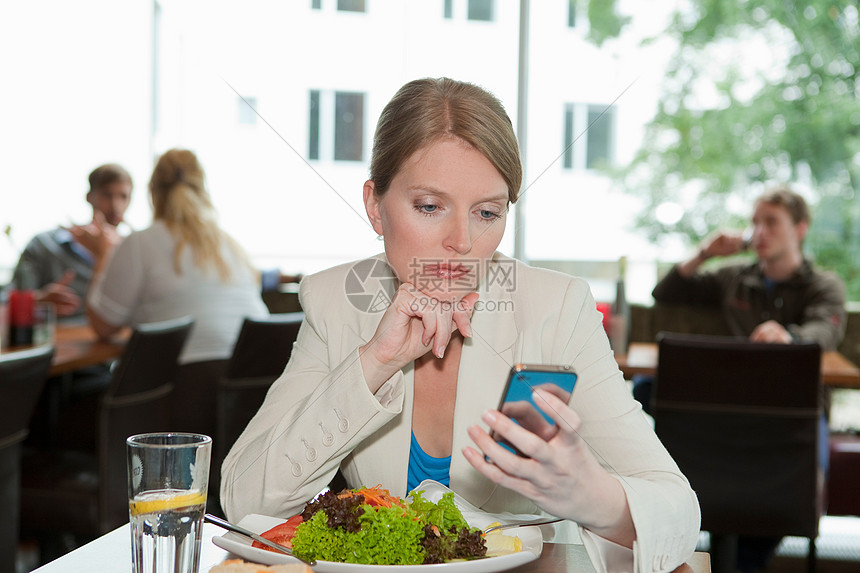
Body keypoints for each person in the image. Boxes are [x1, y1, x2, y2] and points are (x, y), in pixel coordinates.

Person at [221, 78, 700, 572]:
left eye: (487, 212)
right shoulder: (334, 302)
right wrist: (374, 362)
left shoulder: (557, 308)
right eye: (430, 207)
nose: (462, 241)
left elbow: (679, 510)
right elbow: (245, 504)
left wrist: (593, 497)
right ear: (374, 206)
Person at [643, 185, 846, 573]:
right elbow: (665, 293)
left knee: (789, 484)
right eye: (755, 222)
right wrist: (705, 253)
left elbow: (826, 329)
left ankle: (741, 562)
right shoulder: (735, 277)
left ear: (801, 228)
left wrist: (790, 336)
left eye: (772, 222)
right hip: (732, 409)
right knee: (648, 393)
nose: (760, 231)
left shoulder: (823, 284)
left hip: (792, 411)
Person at [86, 148, 269, 445]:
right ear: (202, 189)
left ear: (152, 193)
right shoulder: (231, 246)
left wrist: (103, 255)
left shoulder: (141, 243)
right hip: (254, 393)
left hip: (182, 396)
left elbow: (104, 325)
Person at [10, 163, 134, 320]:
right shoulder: (43, 245)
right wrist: (39, 300)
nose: (116, 206)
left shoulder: (130, 252)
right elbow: (7, 299)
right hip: (58, 336)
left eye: (123, 196)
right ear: (89, 197)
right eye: (107, 195)